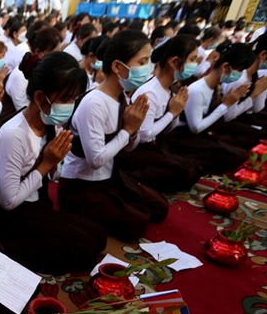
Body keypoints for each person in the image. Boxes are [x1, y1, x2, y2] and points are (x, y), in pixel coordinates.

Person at [0, 52, 106, 275]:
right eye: (66, 99)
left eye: (74, 99)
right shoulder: (15, 134)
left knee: (97, 235)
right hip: (11, 217)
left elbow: (53, 175)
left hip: (36, 204)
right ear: (41, 97)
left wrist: (54, 164)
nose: (71, 106)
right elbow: (8, 201)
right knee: (82, 249)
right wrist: (46, 163)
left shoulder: (48, 122)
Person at [58, 30, 168, 243]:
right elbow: (96, 160)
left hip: (110, 179)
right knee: (137, 223)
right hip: (81, 188)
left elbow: (128, 148)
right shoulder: (95, 103)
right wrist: (127, 130)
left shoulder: (122, 96)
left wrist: (133, 130)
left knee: (159, 207)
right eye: (142, 62)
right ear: (117, 66)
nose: (148, 69)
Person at [114, 35, 201, 193]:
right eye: (192, 59)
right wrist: (171, 113)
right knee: (184, 172)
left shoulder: (170, 89)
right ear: (174, 62)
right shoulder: (150, 92)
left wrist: (176, 112)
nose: (195, 65)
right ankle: (132, 178)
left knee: (194, 167)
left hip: (156, 146)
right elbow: (144, 135)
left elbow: (167, 130)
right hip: (136, 150)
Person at [164, 42, 254, 176]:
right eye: (239, 70)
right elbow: (196, 128)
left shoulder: (215, 87)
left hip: (200, 135)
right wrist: (226, 105)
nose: (239, 75)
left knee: (239, 152)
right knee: (234, 155)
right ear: (225, 67)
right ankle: (183, 163)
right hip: (181, 136)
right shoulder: (197, 90)